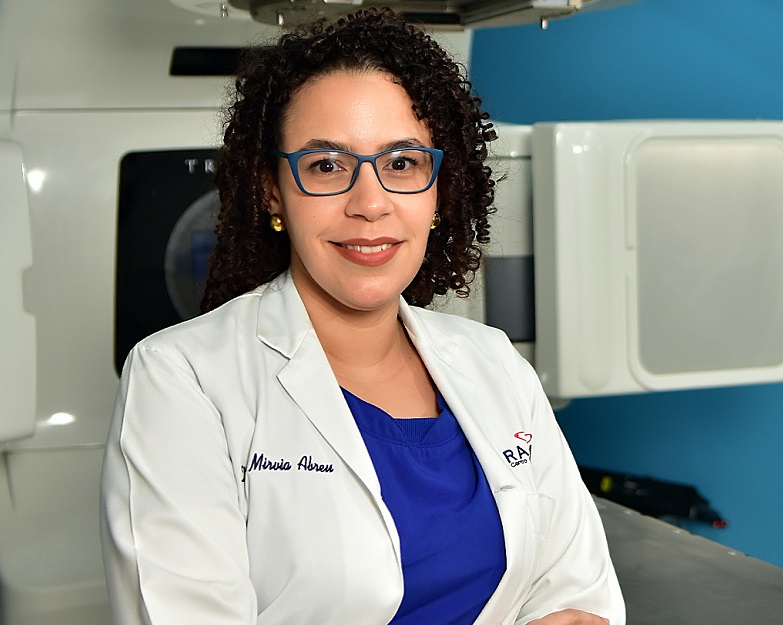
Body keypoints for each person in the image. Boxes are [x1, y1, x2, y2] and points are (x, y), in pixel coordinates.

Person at [100, 8, 625, 625]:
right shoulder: (179, 378)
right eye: (326, 166)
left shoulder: (493, 360)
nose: (370, 204)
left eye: (402, 163)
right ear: (272, 190)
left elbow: (580, 596)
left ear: (438, 188)